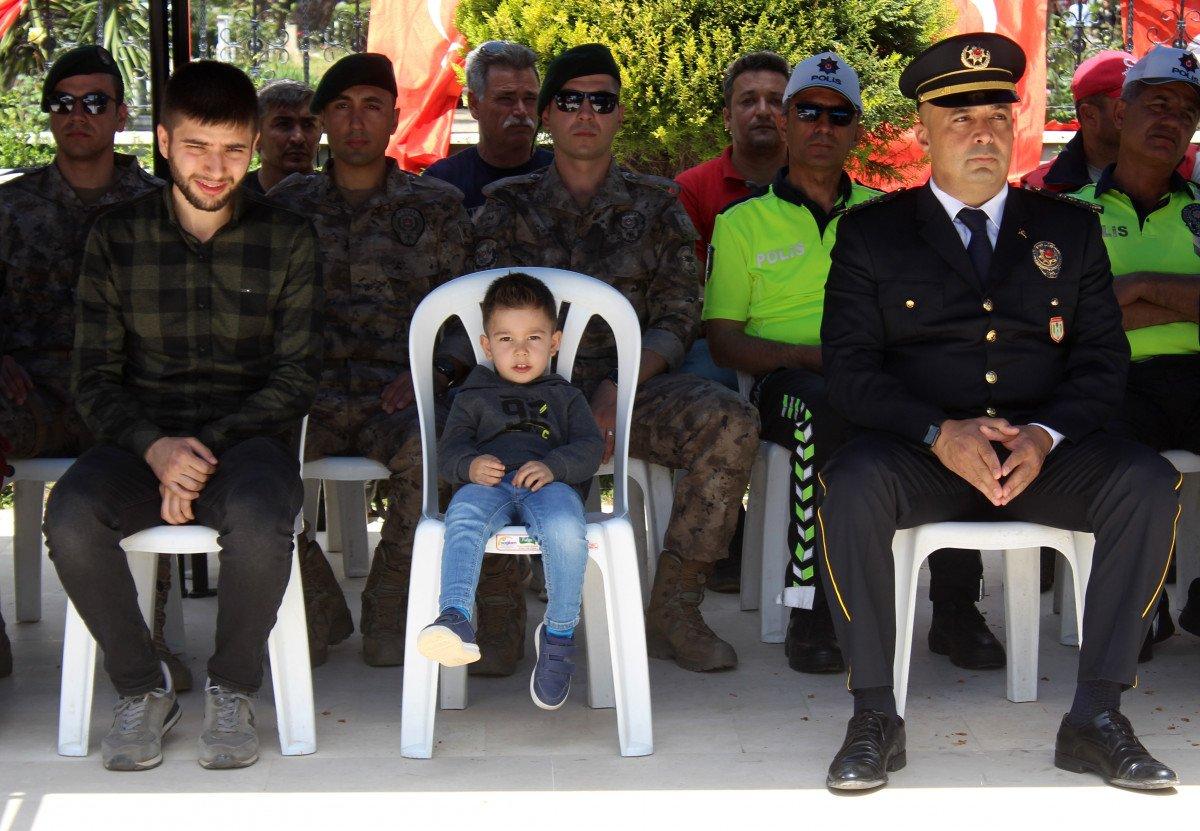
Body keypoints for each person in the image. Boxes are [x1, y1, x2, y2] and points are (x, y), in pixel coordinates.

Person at [818, 33, 1182, 792]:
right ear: (922, 129)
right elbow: (852, 373)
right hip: (921, 456)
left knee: (1146, 481)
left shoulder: (1067, 230)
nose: (982, 134)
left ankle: (1096, 714)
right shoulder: (871, 233)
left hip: (1036, 453)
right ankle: (874, 714)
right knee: (849, 482)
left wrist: (1047, 435)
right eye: (960, 120)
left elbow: (1101, 365)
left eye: (995, 116)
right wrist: (936, 431)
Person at [44, 60, 323, 771]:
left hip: (246, 439)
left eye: (233, 148)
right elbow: (95, 379)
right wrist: (155, 447)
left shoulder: (287, 237)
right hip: (140, 436)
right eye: (197, 146)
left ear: (254, 146)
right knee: (70, 515)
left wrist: (195, 449)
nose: (215, 167)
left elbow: (295, 376)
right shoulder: (117, 235)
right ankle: (143, 686)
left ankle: (233, 688)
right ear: (164, 141)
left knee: (263, 519)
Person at [473, 43, 760, 673]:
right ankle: (496, 611)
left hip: (632, 391)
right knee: (469, 424)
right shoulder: (506, 206)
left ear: (619, 114)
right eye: (571, 100)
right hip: (524, 391)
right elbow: (476, 322)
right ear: (548, 115)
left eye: (601, 100)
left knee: (732, 421)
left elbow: (680, 314)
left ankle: (675, 608)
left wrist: (617, 388)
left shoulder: (658, 205)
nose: (585, 113)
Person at [270, 52, 474, 668]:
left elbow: (469, 312)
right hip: (309, 395)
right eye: (341, 107)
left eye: (372, 107)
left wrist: (434, 376)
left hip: (402, 392)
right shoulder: (285, 206)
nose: (357, 122)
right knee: (254, 461)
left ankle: (390, 600)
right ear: (323, 120)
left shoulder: (435, 205)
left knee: (438, 457)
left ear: (394, 118)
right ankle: (314, 601)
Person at [0, 45, 162, 682]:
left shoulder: (156, 207)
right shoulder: (12, 209)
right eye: (63, 104)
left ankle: (147, 636)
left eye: (95, 102)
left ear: (120, 115)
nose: (78, 115)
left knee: (170, 449)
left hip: (125, 400)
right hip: (31, 395)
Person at [418, 272, 603, 709]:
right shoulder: (472, 395)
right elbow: (448, 453)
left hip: (548, 486)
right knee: (462, 517)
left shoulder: (566, 396)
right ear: (486, 346)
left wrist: (554, 465)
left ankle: (558, 634)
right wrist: (470, 465)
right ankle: (456, 616)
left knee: (565, 531)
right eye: (506, 339)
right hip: (490, 486)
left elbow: (590, 448)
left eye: (533, 338)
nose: (520, 351)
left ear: (554, 343)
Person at [1067, 46, 1200, 648]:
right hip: (1109, 378)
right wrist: (1181, 302)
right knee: (1123, 460)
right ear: (1121, 113)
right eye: (1159, 103)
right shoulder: (1066, 214)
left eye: (1188, 111)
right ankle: (1138, 603)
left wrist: (1137, 287)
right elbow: (1062, 318)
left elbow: (1099, 304)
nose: (1172, 120)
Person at [676, 51, 789, 266]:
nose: (763, 111)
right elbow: (694, 283)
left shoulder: (815, 182)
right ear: (727, 118)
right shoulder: (691, 189)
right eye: (748, 101)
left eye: (776, 101)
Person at [424, 40, 554, 210]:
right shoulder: (440, 185)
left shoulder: (564, 179)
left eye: (530, 99)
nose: (521, 110)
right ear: (474, 104)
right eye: (506, 98)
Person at [244, 79, 321, 194]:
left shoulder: (339, 198)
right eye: (283, 125)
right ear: (256, 136)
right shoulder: (231, 200)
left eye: (308, 125)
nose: (298, 138)